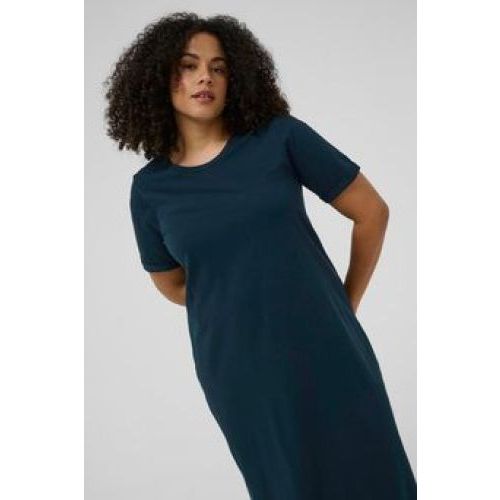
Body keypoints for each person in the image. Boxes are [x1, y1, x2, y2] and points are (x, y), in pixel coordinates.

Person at [104, 12, 417, 500]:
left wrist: (343, 306)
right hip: (238, 369)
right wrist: (237, 298)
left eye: (219, 68)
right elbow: (174, 285)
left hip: (327, 345)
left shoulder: (279, 138)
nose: (205, 77)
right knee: (286, 486)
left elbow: (371, 212)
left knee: (375, 475)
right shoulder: (150, 190)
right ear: (159, 78)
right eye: (188, 65)